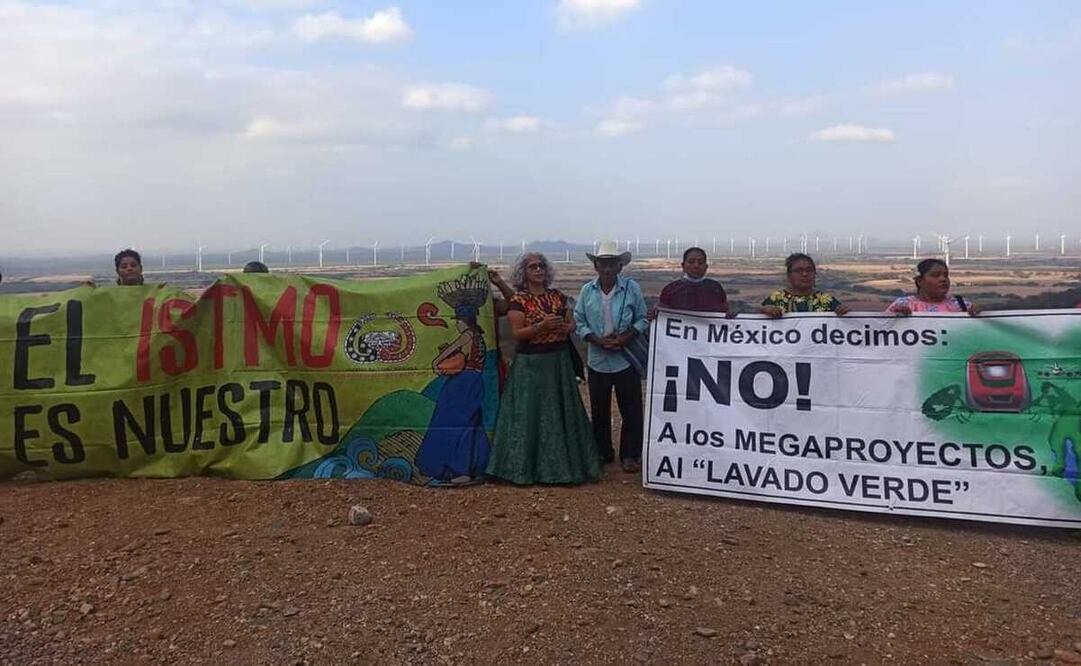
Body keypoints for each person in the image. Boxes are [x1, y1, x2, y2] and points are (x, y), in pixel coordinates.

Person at [486, 253, 600, 485]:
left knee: (559, 413)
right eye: (532, 267)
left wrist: (569, 326)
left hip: (558, 361)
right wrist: (542, 326)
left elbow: (571, 322)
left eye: (541, 266)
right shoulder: (519, 300)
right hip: (531, 365)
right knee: (530, 415)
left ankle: (565, 468)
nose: (539, 270)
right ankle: (524, 469)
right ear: (524, 273)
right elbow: (517, 333)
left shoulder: (558, 296)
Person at [573, 240, 648, 473]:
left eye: (611, 264)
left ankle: (630, 455)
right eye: (603, 264)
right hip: (597, 359)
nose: (607, 268)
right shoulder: (587, 290)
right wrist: (595, 340)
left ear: (620, 267)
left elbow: (643, 318)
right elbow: (579, 320)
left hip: (625, 359)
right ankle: (603, 453)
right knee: (599, 410)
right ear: (596, 266)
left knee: (631, 410)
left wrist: (624, 338)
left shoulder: (632, 288)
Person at [414, 273, 493, 485]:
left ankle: (455, 469)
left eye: (457, 320)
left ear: (463, 320)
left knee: (450, 422)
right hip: (476, 383)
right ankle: (474, 467)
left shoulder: (467, 335)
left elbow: (449, 351)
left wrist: (437, 362)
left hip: (462, 384)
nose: (457, 324)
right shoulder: (479, 338)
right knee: (471, 425)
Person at [649, 246, 730, 317]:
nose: (696, 266)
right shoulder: (670, 290)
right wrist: (654, 314)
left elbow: (725, 312)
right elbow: (661, 314)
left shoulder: (715, 288)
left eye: (700, 262)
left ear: (706, 266)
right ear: (683, 265)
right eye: (691, 262)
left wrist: (731, 317)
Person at [761, 253, 850, 317]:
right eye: (798, 270)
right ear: (789, 275)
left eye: (809, 270)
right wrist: (763, 310)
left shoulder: (826, 300)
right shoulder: (776, 299)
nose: (804, 274)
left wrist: (844, 312)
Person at [887, 258, 982, 315]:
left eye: (946, 275)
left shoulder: (961, 305)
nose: (943, 279)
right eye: (935, 275)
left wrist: (979, 314)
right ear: (920, 281)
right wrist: (896, 318)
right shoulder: (903, 304)